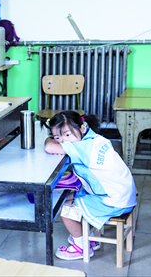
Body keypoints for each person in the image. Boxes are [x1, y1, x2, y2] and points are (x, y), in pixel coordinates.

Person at [40, 111, 137, 260]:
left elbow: (50, 147)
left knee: (63, 207)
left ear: (82, 128)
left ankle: (81, 246)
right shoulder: (96, 139)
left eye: (67, 135)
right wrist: (58, 136)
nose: (64, 141)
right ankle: (88, 238)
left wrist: (50, 138)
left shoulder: (83, 147)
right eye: (58, 137)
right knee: (67, 195)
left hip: (113, 201)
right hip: (123, 192)